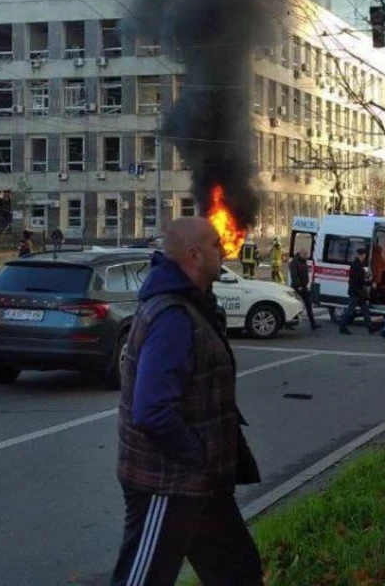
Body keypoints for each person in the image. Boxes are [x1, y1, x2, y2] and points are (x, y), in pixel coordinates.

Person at [109, 217, 262, 586]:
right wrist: (199, 456)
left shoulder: (192, 305)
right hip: (168, 483)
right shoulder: (172, 318)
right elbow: (151, 412)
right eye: (214, 244)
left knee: (238, 572)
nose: (224, 249)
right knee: (142, 579)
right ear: (194, 255)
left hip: (202, 484)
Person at [337, 247, 373, 335]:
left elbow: (359, 278)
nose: (364, 257)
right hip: (356, 292)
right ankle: (342, 326)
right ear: (362, 255)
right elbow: (358, 280)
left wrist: (366, 279)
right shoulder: (356, 265)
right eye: (364, 255)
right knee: (350, 311)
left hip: (358, 292)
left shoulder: (357, 264)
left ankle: (371, 328)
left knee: (364, 310)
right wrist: (368, 281)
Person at [288, 251, 320, 331]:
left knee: (308, 305)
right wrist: (298, 285)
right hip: (297, 287)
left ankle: (313, 324)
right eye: (305, 255)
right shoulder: (294, 262)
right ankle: (289, 323)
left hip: (304, 287)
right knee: (294, 305)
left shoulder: (303, 261)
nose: (307, 257)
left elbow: (305, 273)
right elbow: (294, 275)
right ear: (301, 254)